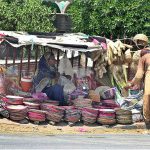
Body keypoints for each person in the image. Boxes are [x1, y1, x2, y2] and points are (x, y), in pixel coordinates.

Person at [128, 34, 150, 132]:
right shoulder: (143, 54)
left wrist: (131, 84)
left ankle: (148, 120)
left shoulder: (143, 54)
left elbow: (139, 74)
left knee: (147, 96)